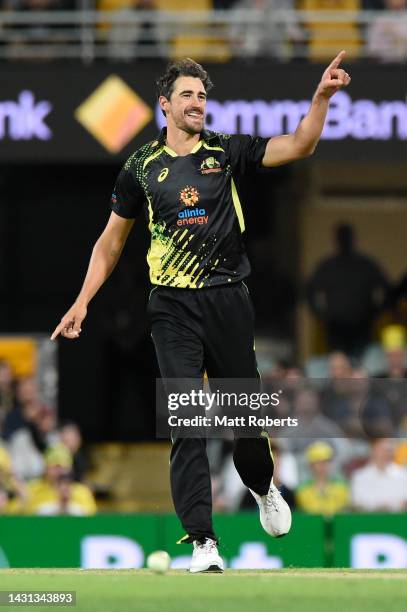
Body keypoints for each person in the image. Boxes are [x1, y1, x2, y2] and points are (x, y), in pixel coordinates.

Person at [51, 54, 351, 573]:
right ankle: (203, 541)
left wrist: (320, 99)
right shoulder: (140, 168)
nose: (198, 103)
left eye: (203, 96)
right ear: (164, 105)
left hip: (227, 300)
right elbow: (110, 243)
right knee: (186, 419)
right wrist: (82, 301)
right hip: (171, 306)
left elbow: (300, 144)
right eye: (187, 95)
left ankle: (261, 486)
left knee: (245, 425)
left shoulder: (225, 151)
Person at [306, 224, 389, 357]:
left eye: (347, 237)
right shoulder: (328, 266)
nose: (344, 241)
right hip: (336, 327)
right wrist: (321, 315)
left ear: (353, 239)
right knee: (338, 363)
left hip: (362, 325)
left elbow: (386, 288)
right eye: (342, 238)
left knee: (361, 365)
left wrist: (375, 311)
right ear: (336, 240)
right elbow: (309, 291)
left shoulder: (365, 264)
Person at [295, 441, 349, 516]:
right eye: (318, 462)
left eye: (325, 462)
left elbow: (341, 509)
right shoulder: (302, 489)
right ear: (311, 465)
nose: (322, 466)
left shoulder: (341, 486)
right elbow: (309, 510)